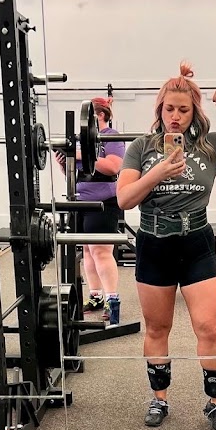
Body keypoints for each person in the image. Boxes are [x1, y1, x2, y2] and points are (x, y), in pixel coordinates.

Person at [117, 62, 216, 430]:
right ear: (160, 109)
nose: (175, 116)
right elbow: (124, 199)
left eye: (183, 110)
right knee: (157, 328)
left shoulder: (210, 145)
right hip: (154, 244)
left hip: (196, 243)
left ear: (193, 112)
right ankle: (159, 399)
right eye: (169, 108)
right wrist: (158, 173)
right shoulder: (141, 148)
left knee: (208, 327)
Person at [56, 97, 125, 324]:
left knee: (101, 251)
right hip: (79, 201)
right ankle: (96, 296)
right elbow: (76, 173)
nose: (83, 122)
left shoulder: (110, 136)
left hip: (103, 202)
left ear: (100, 115)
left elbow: (113, 166)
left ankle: (112, 300)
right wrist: (63, 162)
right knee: (87, 250)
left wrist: (79, 154)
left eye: (87, 116)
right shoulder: (81, 141)